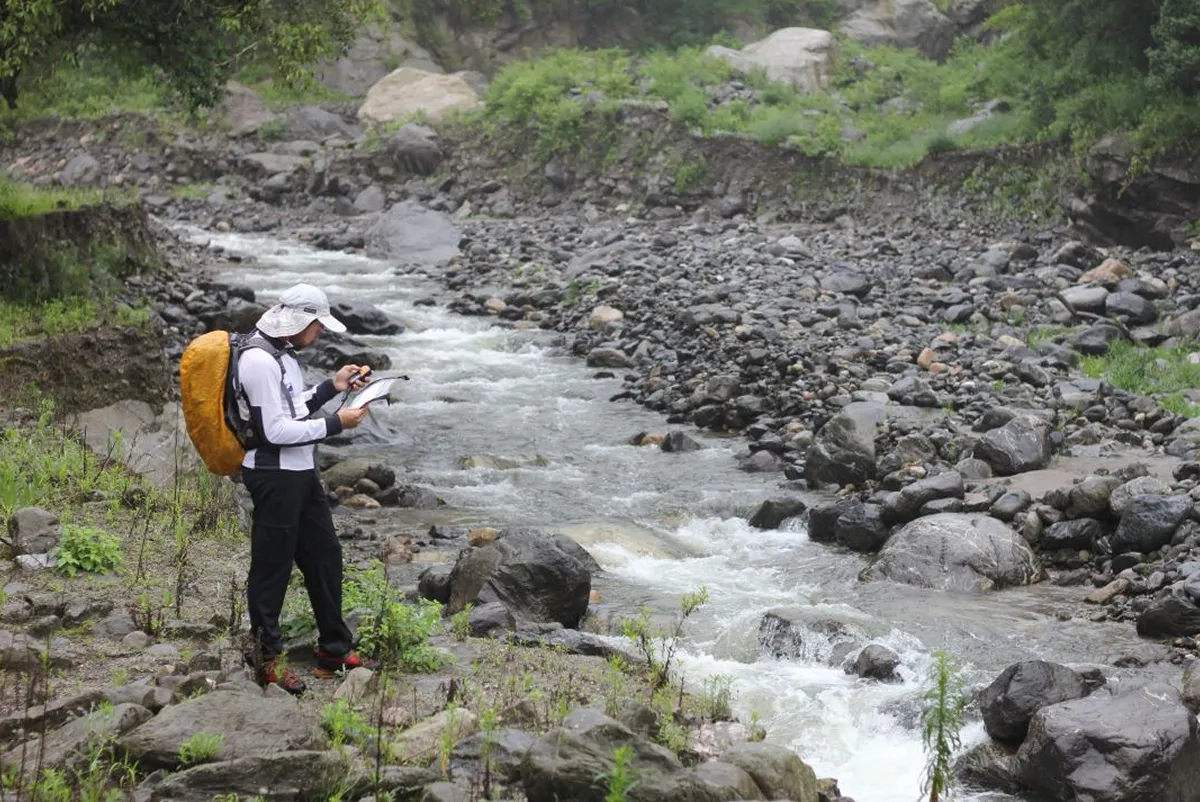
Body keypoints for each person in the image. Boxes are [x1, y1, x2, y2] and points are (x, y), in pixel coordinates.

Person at [237, 283, 374, 694]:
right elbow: (274, 430)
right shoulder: (259, 361)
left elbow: (292, 410)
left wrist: (333, 386)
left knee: (325, 556)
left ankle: (334, 649)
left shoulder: (284, 356)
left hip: (299, 471)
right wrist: (337, 423)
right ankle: (268, 661)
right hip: (274, 475)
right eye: (318, 325)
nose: (321, 333)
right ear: (300, 321)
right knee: (272, 566)